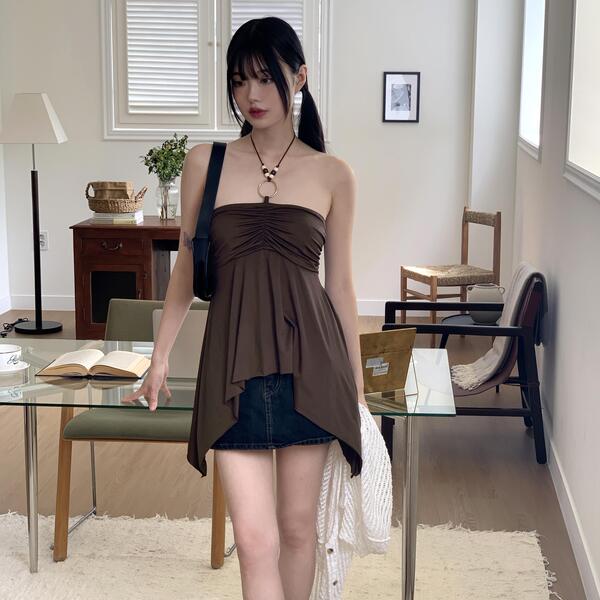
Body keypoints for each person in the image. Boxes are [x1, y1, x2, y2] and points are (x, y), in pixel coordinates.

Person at [124, 16, 367, 600]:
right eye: (239, 81)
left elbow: (340, 287)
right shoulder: (205, 164)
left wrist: (358, 391)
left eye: (264, 77)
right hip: (231, 367)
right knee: (255, 543)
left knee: (299, 531)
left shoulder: (333, 174)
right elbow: (186, 271)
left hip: (312, 369)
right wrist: (158, 358)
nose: (250, 94)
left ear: (299, 77)